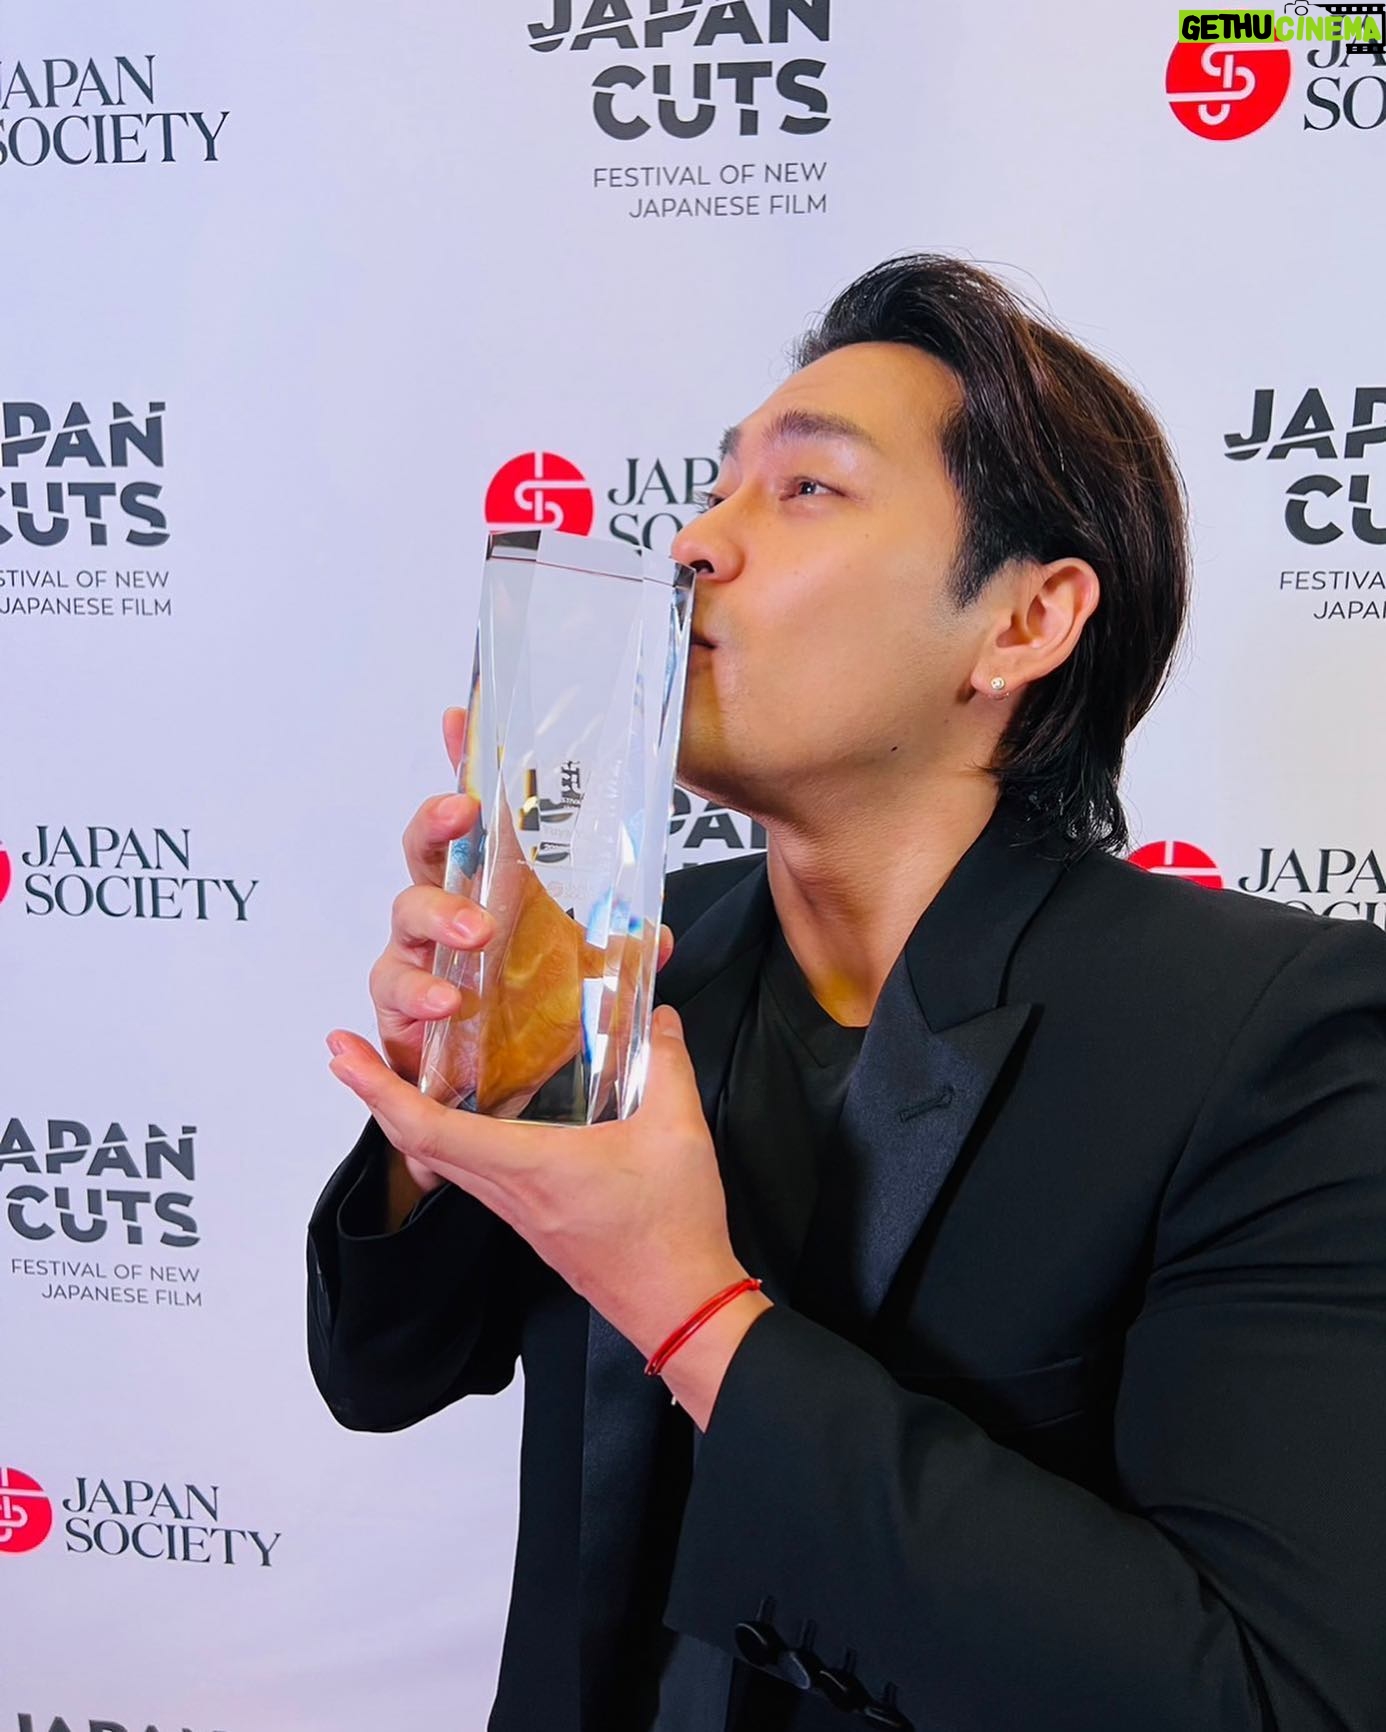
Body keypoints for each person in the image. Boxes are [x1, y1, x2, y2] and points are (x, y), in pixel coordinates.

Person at [306, 254, 1386, 1732]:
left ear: (1024, 623)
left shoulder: (1273, 1036)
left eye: (806, 488)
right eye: (716, 486)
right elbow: (380, 1370)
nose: (695, 542)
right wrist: (444, 1100)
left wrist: (691, 1311)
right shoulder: (639, 952)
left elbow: (1264, 1697)